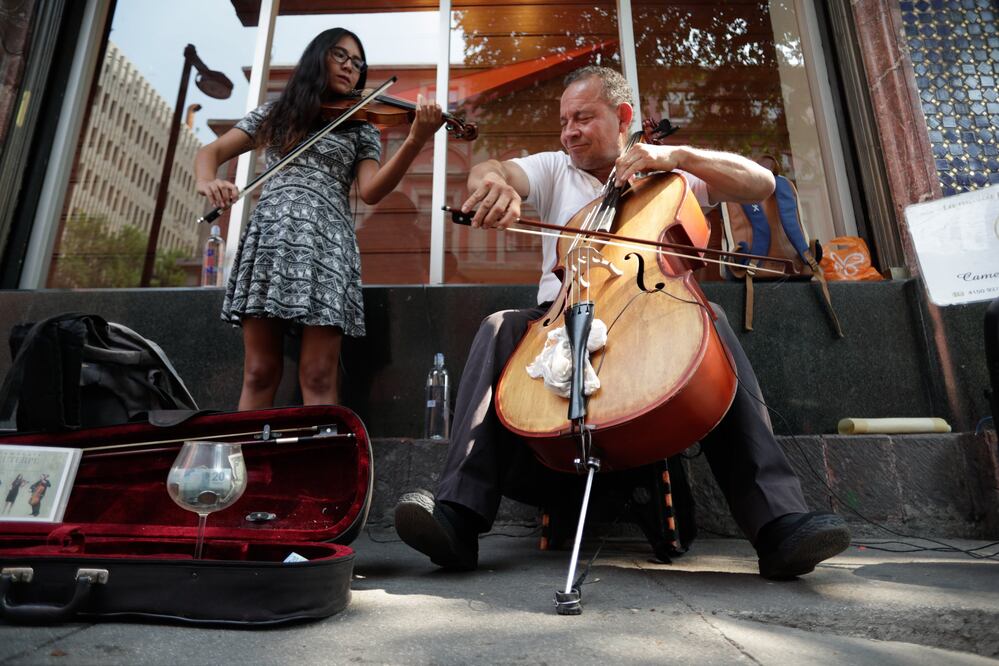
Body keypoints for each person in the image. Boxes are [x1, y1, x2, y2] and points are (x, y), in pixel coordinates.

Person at [394, 66, 850, 580]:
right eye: (564, 121)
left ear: (623, 116)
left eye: (583, 118)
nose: (569, 132)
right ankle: (457, 517)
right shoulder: (553, 169)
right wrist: (494, 184)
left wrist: (679, 156)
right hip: (558, 321)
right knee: (499, 325)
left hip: (647, 317)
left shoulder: (666, 174)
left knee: (711, 318)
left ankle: (777, 524)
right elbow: (492, 169)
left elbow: (759, 182)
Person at [195, 28, 444, 410]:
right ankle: (243, 466)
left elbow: (371, 190)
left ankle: (320, 467)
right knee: (258, 371)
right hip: (271, 241)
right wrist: (208, 181)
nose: (351, 67)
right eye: (340, 56)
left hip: (326, 245)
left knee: (318, 374)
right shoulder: (277, 114)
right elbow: (210, 152)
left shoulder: (361, 127)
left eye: (358, 63)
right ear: (317, 57)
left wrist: (415, 140)